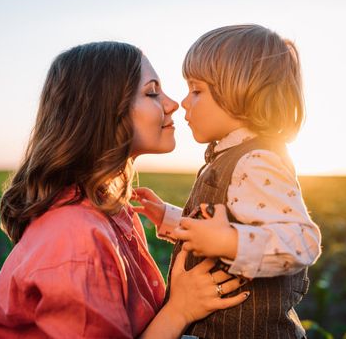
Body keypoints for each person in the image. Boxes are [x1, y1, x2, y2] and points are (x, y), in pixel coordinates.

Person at [0, 41, 250, 338]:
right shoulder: (77, 237)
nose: (172, 103)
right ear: (104, 110)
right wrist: (180, 310)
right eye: (152, 91)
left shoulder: (112, 208)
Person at [133, 25, 322, 338]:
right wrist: (169, 216)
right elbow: (231, 219)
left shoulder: (257, 160)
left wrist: (229, 243)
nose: (183, 102)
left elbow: (303, 241)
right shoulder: (229, 155)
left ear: (239, 92)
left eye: (197, 90)